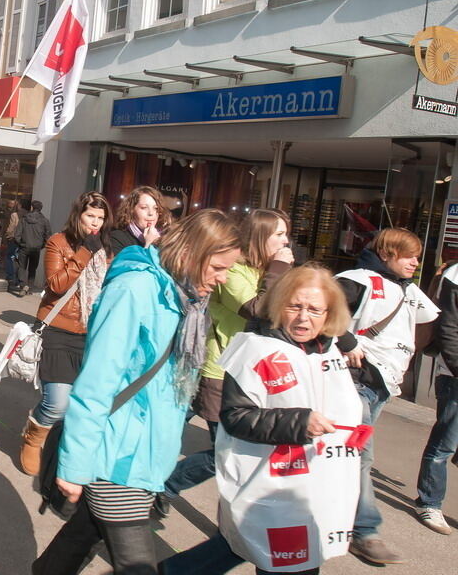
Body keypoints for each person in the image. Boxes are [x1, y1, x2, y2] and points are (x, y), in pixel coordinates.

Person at [32, 209, 240, 575]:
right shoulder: (137, 288)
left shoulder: (185, 297)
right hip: (117, 456)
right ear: (191, 254)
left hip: (146, 455)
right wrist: (75, 463)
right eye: (218, 267)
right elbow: (96, 381)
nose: (222, 280)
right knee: (137, 565)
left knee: (82, 536)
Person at [167, 265, 360, 575]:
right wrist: (298, 423)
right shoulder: (255, 350)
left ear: (329, 314)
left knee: (241, 549)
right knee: (278, 556)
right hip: (271, 485)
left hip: (315, 488)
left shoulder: (328, 352)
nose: (302, 317)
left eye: (314, 309)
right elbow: (236, 416)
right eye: (294, 306)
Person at [159, 208, 295, 512]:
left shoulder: (270, 273)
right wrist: (277, 270)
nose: (287, 241)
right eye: (279, 234)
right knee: (228, 451)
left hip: (252, 374)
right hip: (218, 369)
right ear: (261, 237)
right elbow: (258, 309)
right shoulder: (234, 271)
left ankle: (158, 484)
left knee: (180, 428)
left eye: (287, 233)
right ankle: (165, 486)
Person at [335, 228, 439, 564]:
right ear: (386, 253)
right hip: (357, 380)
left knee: (347, 453)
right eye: (408, 255)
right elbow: (320, 308)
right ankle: (365, 531)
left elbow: (431, 322)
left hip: (382, 385)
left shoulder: (409, 289)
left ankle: (326, 512)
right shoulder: (356, 280)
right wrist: (347, 342)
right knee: (360, 453)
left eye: (417, 255)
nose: (415, 262)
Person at [19, 191, 114, 475]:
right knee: (57, 402)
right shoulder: (58, 242)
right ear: (78, 216)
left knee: (79, 404)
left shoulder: (107, 249)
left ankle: (62, 447)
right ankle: (34, 436)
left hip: (92, 333)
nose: (95, 223)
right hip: (59, 329)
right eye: (90, 216)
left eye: (100, 218)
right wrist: (85, 251)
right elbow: (56, 285)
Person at [414, 261, 458, 535]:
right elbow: (448, 328)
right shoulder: (455, 275)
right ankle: (429, 501)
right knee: (444, 443)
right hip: (454, 374)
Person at [109, 186, 171, 256]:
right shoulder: (117, 237)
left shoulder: (165, 237)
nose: (151, 213)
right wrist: (149, 245)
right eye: (144, 208)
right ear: (131, 210)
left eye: (156, 208)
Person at [14, 200, 52, 296]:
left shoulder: (24, 219)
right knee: (32, 268)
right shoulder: (44, 221)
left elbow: (17, 234)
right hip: (36, 248)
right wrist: (41, 246)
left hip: (24, 246)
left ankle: (23, 286)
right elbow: (48, 236)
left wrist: (21, 243)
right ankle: (29, 288)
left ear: (32, 207)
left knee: (22, 267)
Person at [3, 199, 26, 293]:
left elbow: (11, 227)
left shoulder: (15, 215)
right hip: (23, 241)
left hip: (14, 239)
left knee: (9, 257)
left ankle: (10, 276)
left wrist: (7, 235)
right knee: (18, 260)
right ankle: (18, 280)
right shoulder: (27, 215)